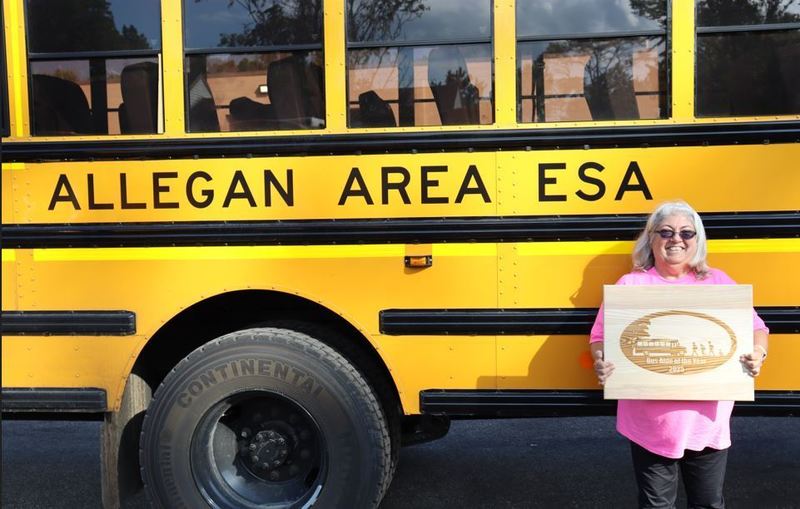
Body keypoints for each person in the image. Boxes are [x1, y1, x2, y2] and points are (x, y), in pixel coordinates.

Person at [590, 201, 769, 509]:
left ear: (697, 240)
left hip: (707, 422)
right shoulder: (631, 285)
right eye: (666, 232)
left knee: (708, 504)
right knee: (657, 506)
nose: (677, 239)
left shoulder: (717, 282)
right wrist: (600, 360)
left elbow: (757, 328)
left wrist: (758, 352)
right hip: (650, 425)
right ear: (652, 238)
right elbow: (600, 337)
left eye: (687, 232)